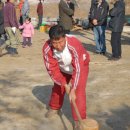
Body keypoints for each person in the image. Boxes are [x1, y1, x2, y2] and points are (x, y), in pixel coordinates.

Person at [42, 25, 90, 130]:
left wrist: (73, 88)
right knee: (58, 87)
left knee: (78, 91)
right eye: (55, 43)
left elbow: (78, 68)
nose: (58, 46)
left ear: (65, 38)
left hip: (80, 67)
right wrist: (63, 83)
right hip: (62, 69)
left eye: (61, 42)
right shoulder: (47, 48)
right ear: (50, 40)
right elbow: (52, 70)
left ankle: (79, 120)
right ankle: (54, 107)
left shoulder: (74, 44)